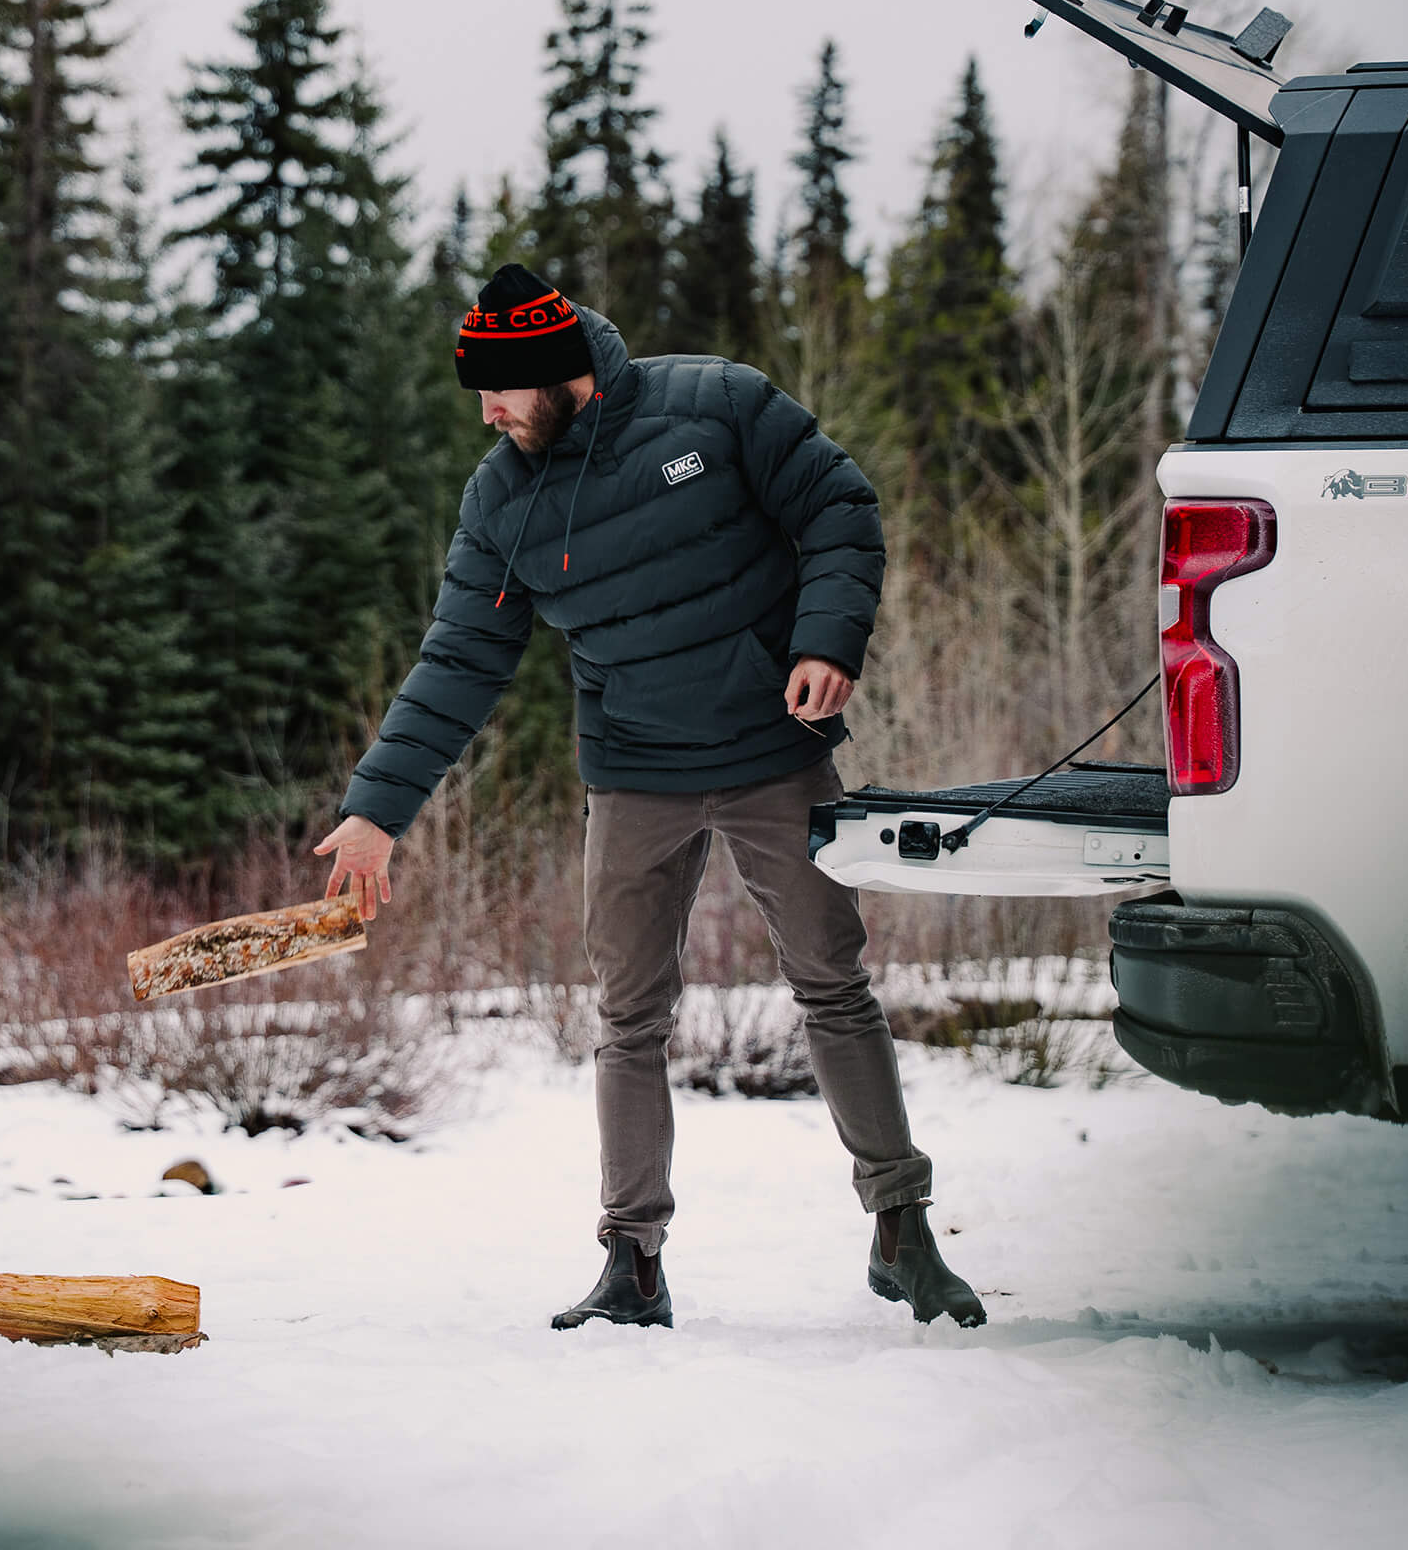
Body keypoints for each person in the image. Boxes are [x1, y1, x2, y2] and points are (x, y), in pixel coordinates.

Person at [315, 263, 983, 1333]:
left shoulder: (713, 404)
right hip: (632, 773)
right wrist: (377, 808)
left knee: (831, 982)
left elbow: (837, 509)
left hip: (773, 749)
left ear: (554, 368)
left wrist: (825, 641)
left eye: (497, 387)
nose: (484, 410)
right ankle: (631, 1258)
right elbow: (457, 660)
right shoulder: (500, 497)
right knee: (628, 1016)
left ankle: (901, 1227)